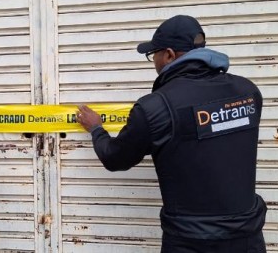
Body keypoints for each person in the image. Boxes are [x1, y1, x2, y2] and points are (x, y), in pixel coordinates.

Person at [76, 15, 267, 253]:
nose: (154, 61)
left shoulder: (156, 107)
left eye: (153, 55)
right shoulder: (248, 92)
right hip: (248, 238)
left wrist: (96, 129)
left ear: (168, 55)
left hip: (190, 243)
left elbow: (115, 158)